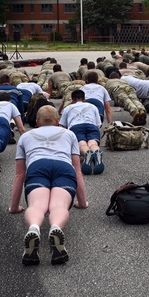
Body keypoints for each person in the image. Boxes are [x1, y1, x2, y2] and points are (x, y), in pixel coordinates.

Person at [9, 105, 88, 265]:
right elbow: (78, 171)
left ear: (37, 122)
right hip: (63, 167)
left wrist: (14, 207)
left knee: (37, 205)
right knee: (59, 206)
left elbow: (19, 175)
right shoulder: (69, 134)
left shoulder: (26, 136)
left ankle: (34, 229)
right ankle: (56, 227)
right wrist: (82, 202)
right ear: (58, 121)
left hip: (38, 166)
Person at [59, 89, 105, 174]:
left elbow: (63, 126)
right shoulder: (92, 106)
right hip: (91, 126)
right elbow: (99, 125)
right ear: (84, 99)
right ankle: (96, 151)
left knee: (82, 144)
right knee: (92, 143)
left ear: (72, 100)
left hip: (76, 127)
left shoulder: (67, 108)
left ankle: (87, 153)